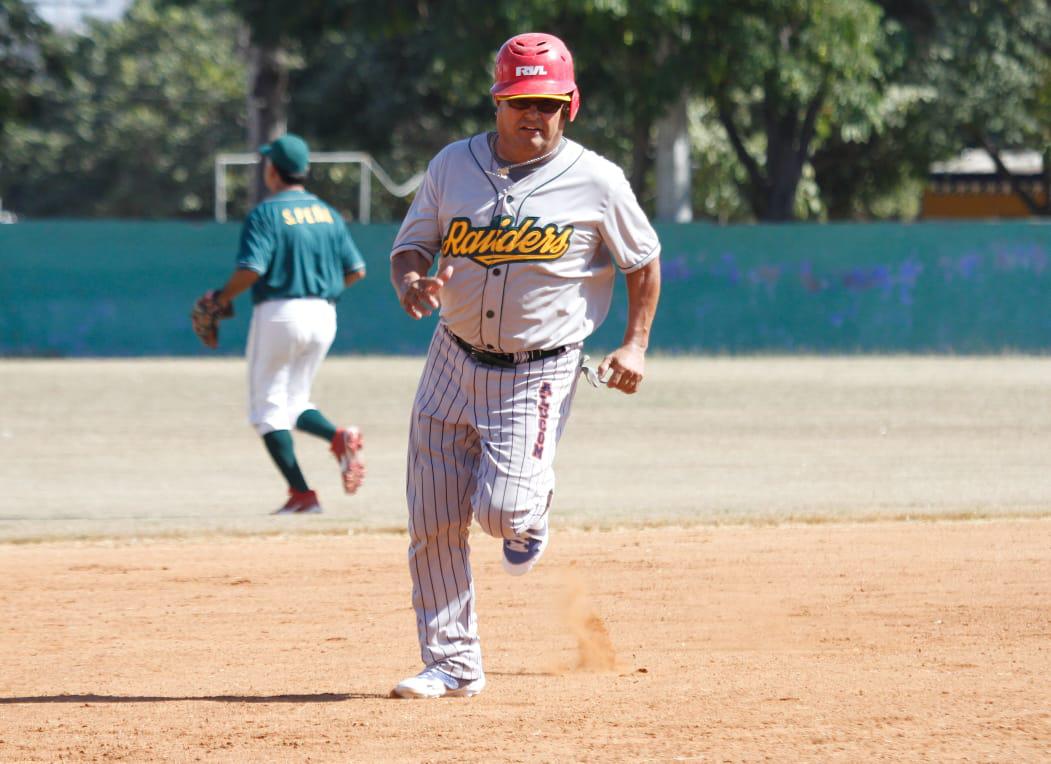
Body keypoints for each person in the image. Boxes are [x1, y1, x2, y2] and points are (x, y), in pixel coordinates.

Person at [387, 32, 661, 699]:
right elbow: (411, 246)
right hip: (450, 357)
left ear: (571, 105)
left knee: (503, 513)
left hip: (538, 368)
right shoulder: (452, 165)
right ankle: (453, 665)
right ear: (497, 102)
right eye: (519, 101)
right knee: (433, 519)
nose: (531, 114)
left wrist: (634, 344)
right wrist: (412, 282)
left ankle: (529, 515)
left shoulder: (596, 180)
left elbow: (643, 259)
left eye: (547, 103)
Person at [208, 133, 367, 515]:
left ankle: (302, 495)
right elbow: (356, 270)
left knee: (266, 411)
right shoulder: (328, 213)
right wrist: (323, 290)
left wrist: (222, 298)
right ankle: (339, 437)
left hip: (280, 312)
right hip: (324, 313)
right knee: (293, 403)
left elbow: (251, 269)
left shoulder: (266, 213)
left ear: (273, 171)